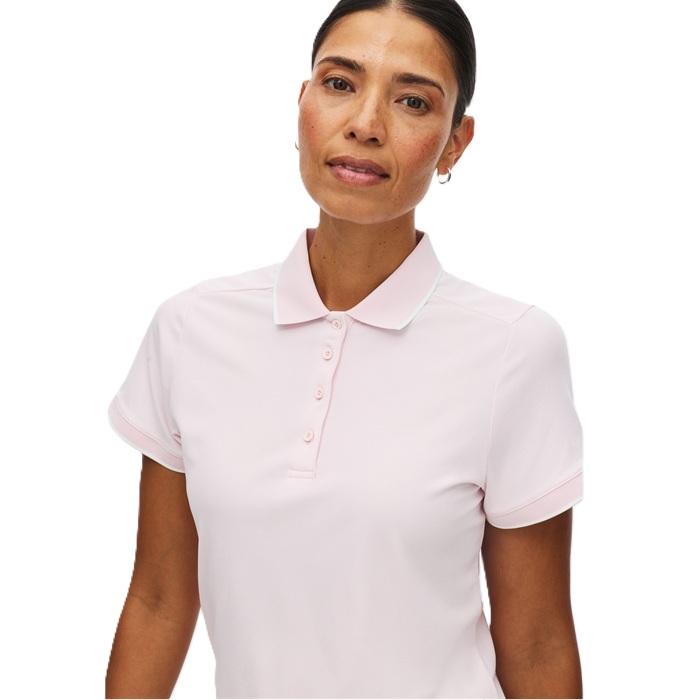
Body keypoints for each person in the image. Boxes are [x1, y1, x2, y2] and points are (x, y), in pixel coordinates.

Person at [105, 1, 584, 698]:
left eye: (413, 101)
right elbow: (158, 600)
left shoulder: (514, 349)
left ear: (455, 143)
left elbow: (537, 644)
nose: (365, 123)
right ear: (302, 102)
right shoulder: (191, 329)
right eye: (339, 83)